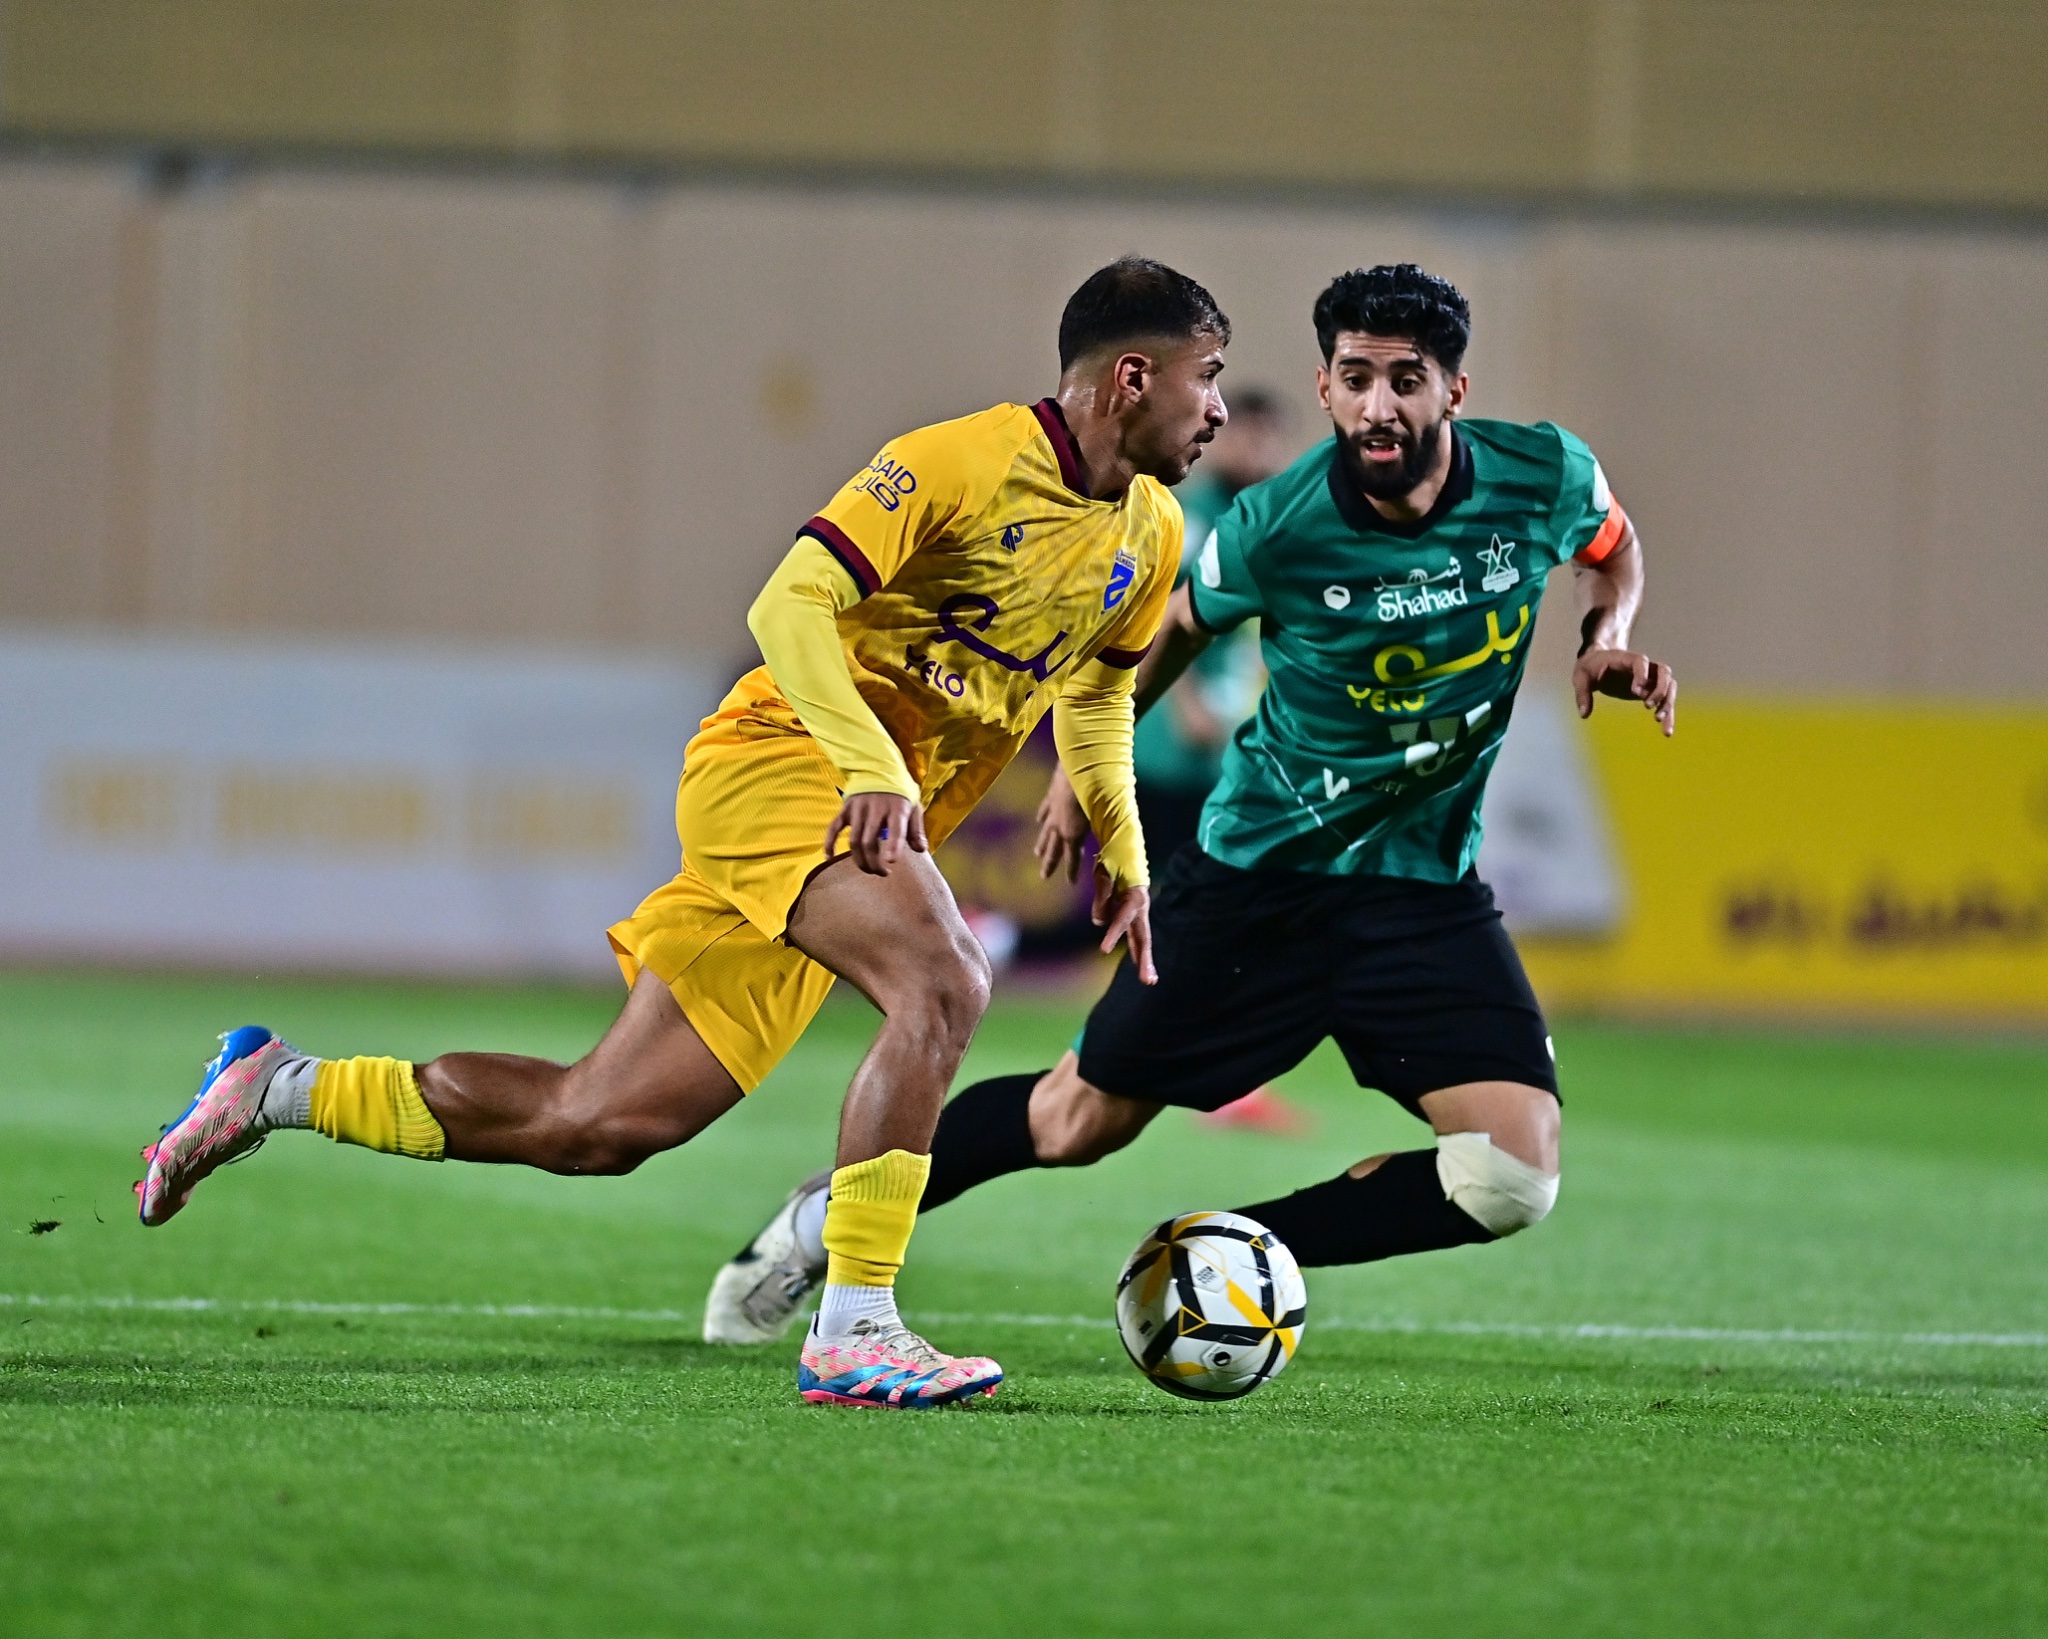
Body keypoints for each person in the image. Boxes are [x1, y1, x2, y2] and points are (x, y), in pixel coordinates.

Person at [137, 256, 1231, 1409]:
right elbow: (786, 605)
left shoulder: (1149, 530)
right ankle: (855, 1326)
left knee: (599, 1122)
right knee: (946, 979)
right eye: (1205, 378)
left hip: (850, 813)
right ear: (1128, 377)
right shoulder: (954, 460)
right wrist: (871, 766)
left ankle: (274, 1085)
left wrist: (1123, 839)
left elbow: (1099, 697)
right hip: (774, 766)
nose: (1214, 407)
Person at [703, 264, 1676, 1348]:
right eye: (1354, 378)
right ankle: (816, 1222)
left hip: (1423, 894)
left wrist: (1605, 636)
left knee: (1510, 1178)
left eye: (1406, 379)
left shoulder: (1542, 473)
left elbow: (1610, 545)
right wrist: (1085, 770)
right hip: (1259, 883)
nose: (1377, 405)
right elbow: (1166, 635)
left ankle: (1227, 1251)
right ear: (1323, 387)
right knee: (1074, 1121)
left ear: (1454, 390)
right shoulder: (1276, 524)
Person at [1129, 389, 1289, 861]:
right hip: (1173, 735)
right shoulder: (1190, 516)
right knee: (1163, 869)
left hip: (1242, 730)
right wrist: (1187, 702)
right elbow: (1154, 608)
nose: (1255, 450)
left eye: (1266, 439)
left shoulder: (1279, 519)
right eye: (1246, 437)